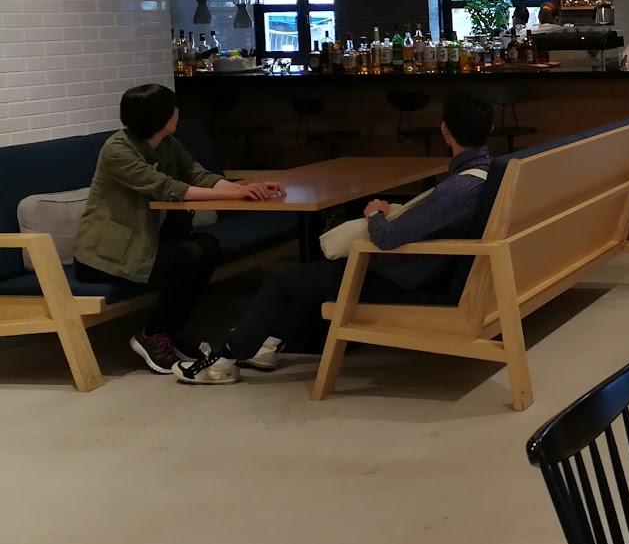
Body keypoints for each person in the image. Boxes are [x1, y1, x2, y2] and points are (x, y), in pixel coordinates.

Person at [174, 89, 496, 385]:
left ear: (444, 130)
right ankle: (264, 344)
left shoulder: (460, 188)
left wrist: (375, 213)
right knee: (307, 279)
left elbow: (387, 238)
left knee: (284, 281)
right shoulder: (488, 174)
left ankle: (224, 361)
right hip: (433, 272)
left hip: (407, 279)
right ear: (489, 129)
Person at [72, 84, 283, 374]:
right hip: (108, 255)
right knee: (190, 256)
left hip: (148, 244)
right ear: (158, 116)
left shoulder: (167, 143)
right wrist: (236, 193)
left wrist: (243, 189)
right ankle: (152, 334)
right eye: (173, 108)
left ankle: (171, 329)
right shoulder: (117, 150)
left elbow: (197, 173)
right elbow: (168, 187)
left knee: (207, 246)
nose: (178, 113)